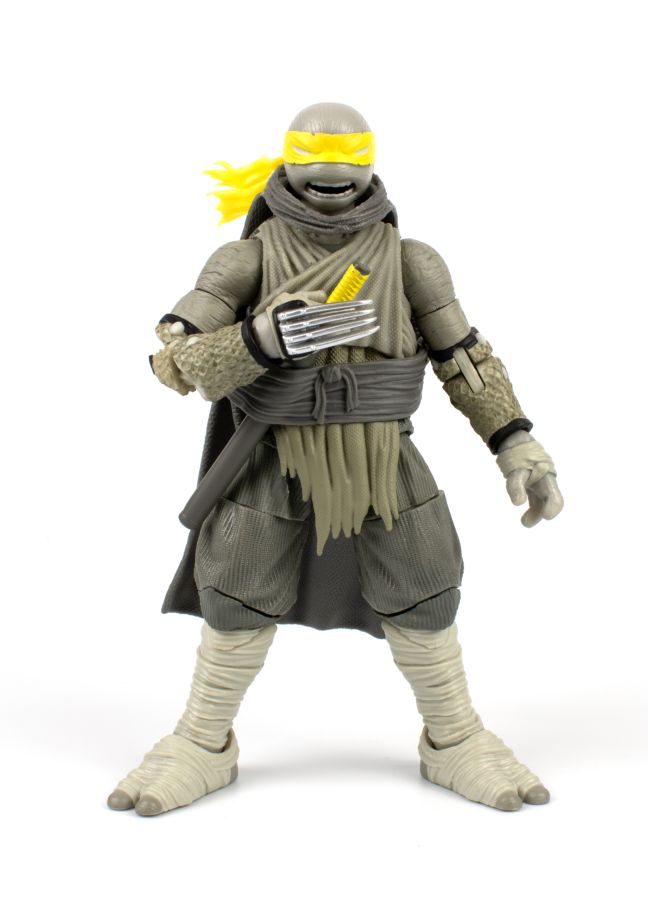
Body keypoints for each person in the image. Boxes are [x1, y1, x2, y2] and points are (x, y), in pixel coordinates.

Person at [107, 102, 564, 816]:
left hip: (385, 456)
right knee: (236, 588)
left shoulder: (411, 261)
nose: (332, 178)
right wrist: (258, 341)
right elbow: (174, 364)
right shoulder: (245, 259)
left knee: (426, 583)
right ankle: (200, 741)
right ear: (289, 164)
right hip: (272, 457)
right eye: (317, 162)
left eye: (348, 163)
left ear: (370, 165)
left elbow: (464, 357)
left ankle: (454, 738)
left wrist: (515, 440)